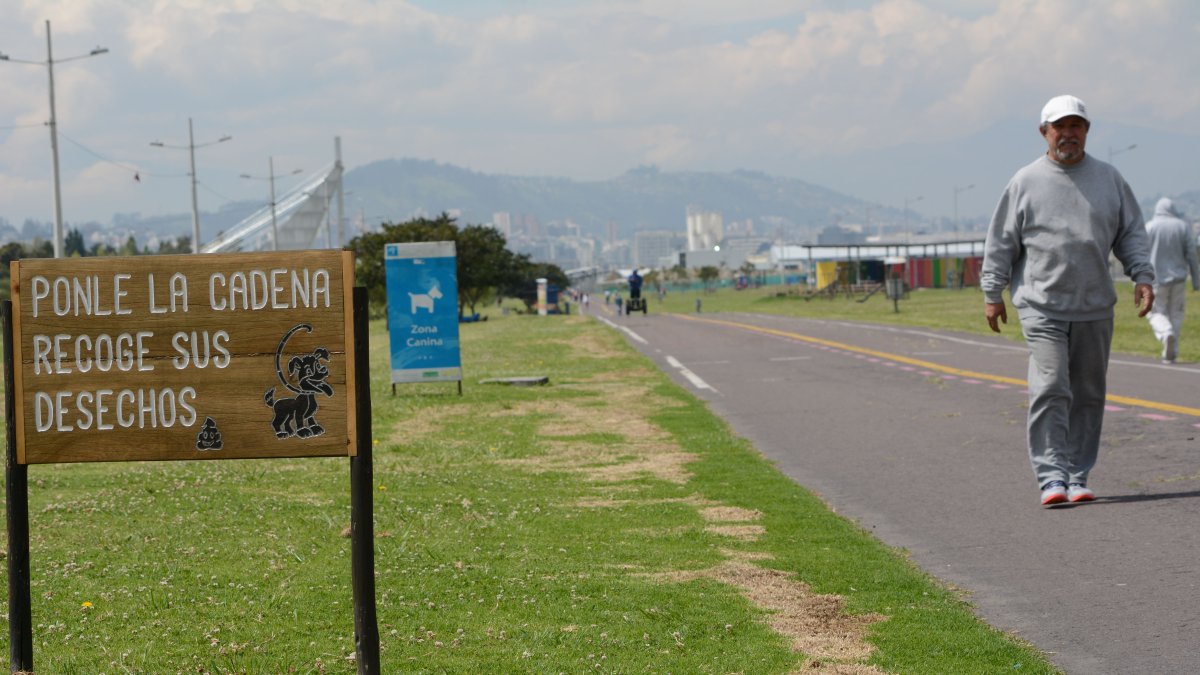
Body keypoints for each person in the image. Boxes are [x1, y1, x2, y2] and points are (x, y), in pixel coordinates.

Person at [981, 94, 1155, 507]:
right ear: (1045, 133)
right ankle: (1051, 477)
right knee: (1050, 386)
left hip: (1094, 304)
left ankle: (1078, 476)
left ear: (1087, 132)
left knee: (1089, 392)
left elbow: (1130, 233)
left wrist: (1143, 276)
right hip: (1041, 304)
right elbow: (1001, 241)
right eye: (1060, 127)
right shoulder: (1025, 181)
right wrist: (993, 292)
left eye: (1076, 126)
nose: (1068, 134)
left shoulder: (1110, 179)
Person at [1144, 197, 1200, 363]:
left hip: (1155, 279)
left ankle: (1165, 333)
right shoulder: (1182, 227)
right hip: (1178, 278)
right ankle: (1172, 350)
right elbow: (1191, 255)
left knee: (1154, 312)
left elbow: (1140, 255)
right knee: (1176, 313)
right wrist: (1196, 280)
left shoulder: (1149, 227)